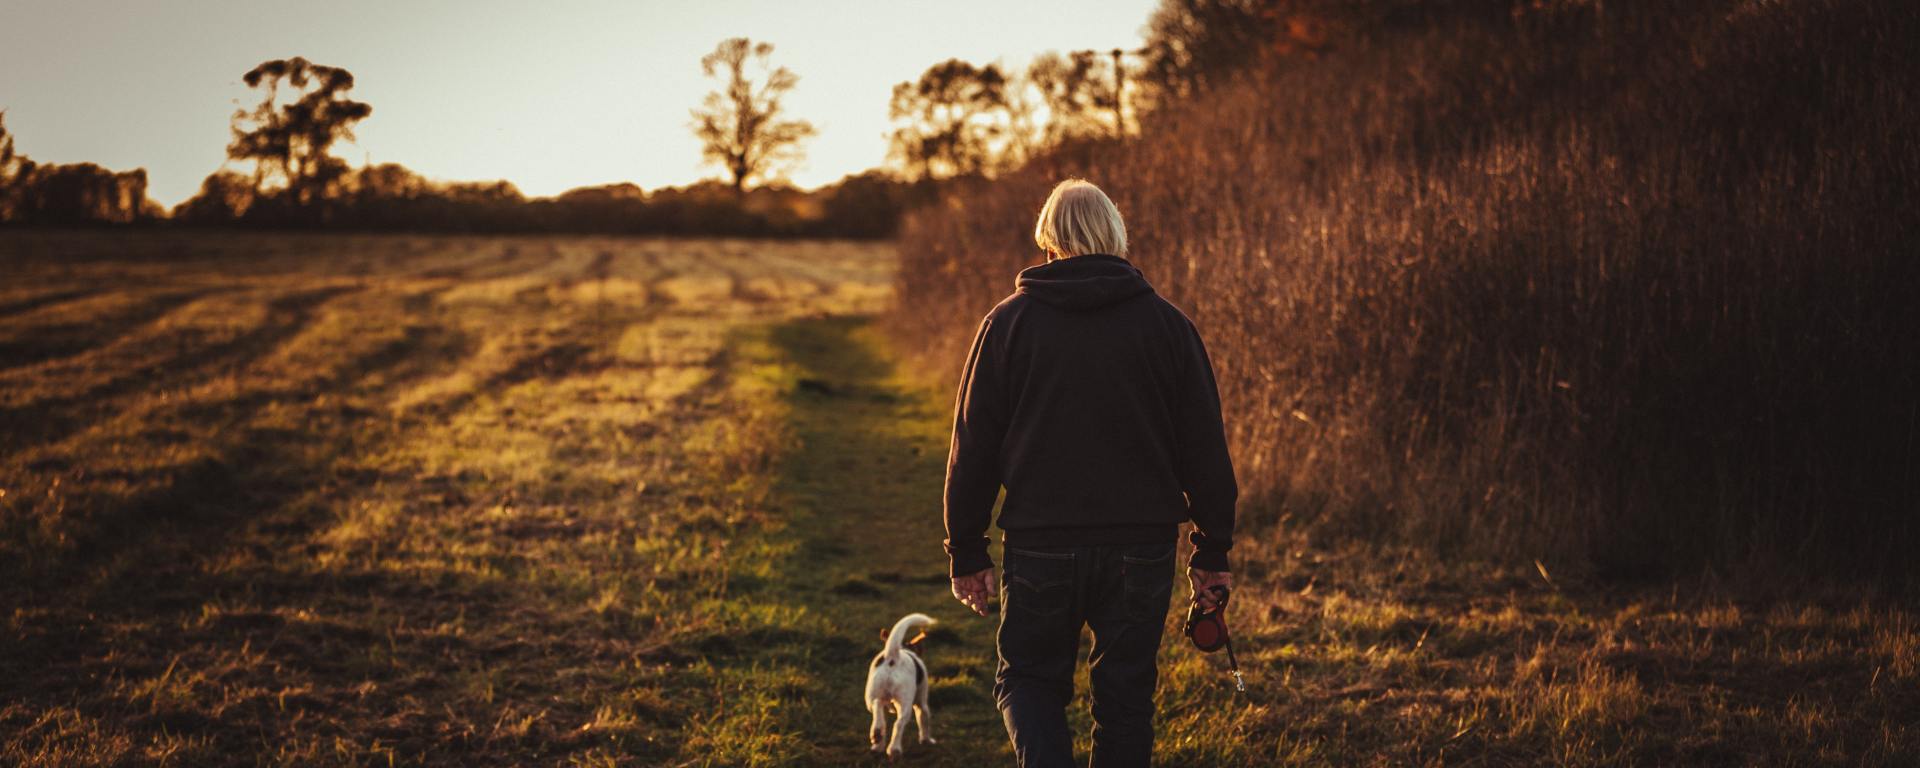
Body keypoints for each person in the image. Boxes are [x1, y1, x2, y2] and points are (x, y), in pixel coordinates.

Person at [944, 179, 1238, 767]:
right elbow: (1205, 448)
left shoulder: (1008, 325)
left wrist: (968, 551)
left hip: (1041, 545)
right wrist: (1212, 549)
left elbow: (973, 446)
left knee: (1027, 681)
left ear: (1048, 239)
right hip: (1142, 546)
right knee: (1126, 698)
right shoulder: (1168, 326)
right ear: (1115, 234)